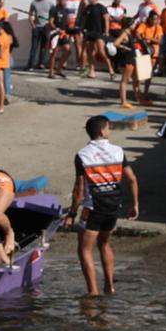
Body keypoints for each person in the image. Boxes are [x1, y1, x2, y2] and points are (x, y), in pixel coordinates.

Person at [66, 115, 137, 296]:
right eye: (108, 127)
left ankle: (93, 292)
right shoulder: (118, 151)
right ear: (102, 131)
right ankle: (109, 287)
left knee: (84, 248)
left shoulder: (82, 155)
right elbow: (132, 179)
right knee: (104, 244)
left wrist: (72, 213)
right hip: (114, 206)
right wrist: (135, 204)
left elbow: (79, 189)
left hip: (93, 209)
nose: (110, 130)